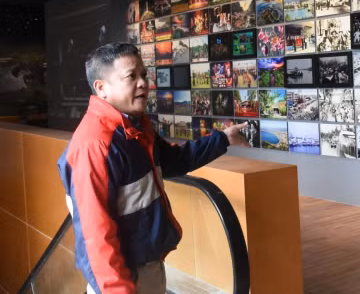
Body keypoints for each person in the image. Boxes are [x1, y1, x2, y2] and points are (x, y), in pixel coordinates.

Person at [57, 43, 249, 294]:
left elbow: (174, 160)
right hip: (125, 279)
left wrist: (222, 139)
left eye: (144, 75)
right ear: (102, 88)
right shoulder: (96, 145)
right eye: (131, 76)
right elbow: (95, 236)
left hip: (147, 267)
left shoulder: (134, 129)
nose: (143, 83)